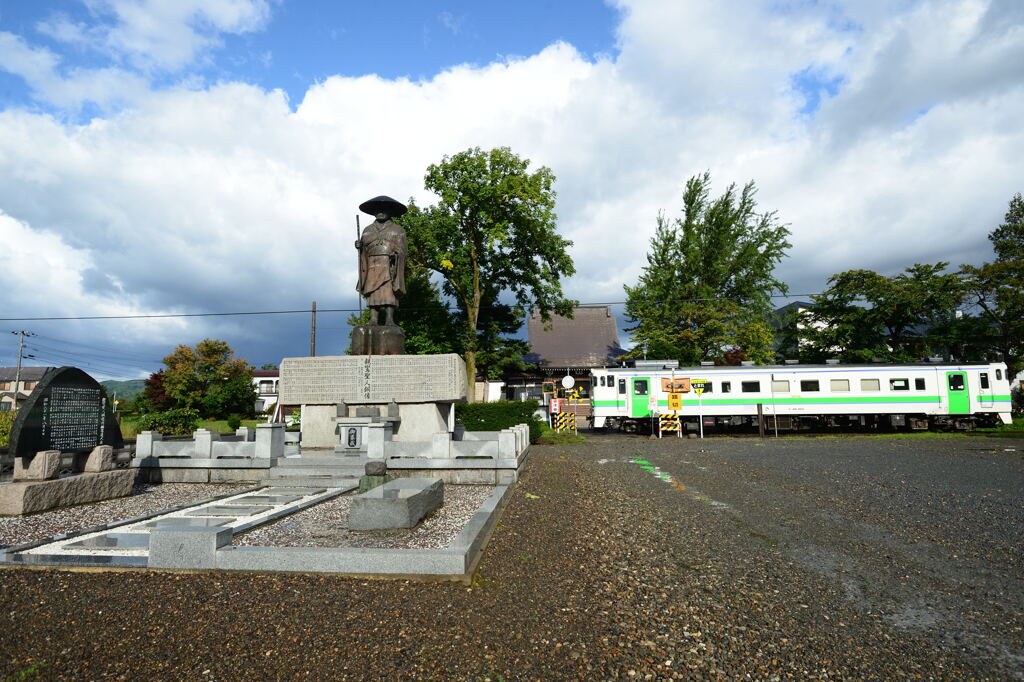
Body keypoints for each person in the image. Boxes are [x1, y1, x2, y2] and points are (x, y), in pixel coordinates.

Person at [355, 196, 407, 326]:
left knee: (388, 290)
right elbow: (364, 250)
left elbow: (403, 250)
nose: (381, 212)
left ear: (390, 211)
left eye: (384, 209)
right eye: (377, 209)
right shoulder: (367, 230)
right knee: (372, 291)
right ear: (373, 212)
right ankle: (373, 318)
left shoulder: (398, 230)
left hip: (389, 264)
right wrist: (359, 247)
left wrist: (396, 255)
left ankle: (390, 318)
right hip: (372, 264)